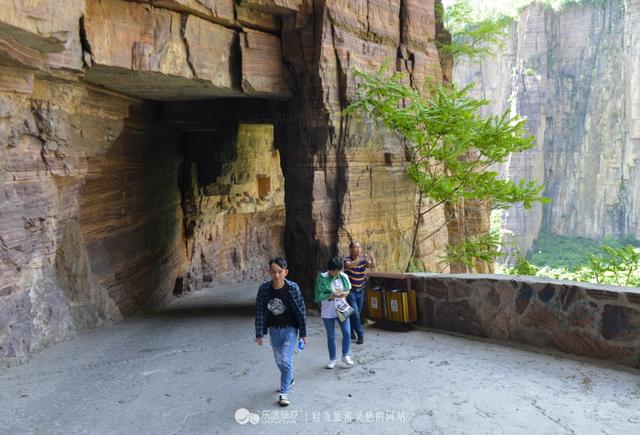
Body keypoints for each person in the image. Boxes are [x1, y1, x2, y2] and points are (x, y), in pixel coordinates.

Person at [255, 257, 307, 407]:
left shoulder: (293, 288)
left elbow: (301, 310)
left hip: (290, 329)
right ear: (269, 272)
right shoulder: (264, 289)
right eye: (273, 272)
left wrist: (303, 333)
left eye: (279, 272)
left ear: (286, 272)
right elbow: (259, 311)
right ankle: (289, 378)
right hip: (273, 330)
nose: (276, 275)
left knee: (285, 359)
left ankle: (284, 393)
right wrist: (259, 333)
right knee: (279, 361)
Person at [314, 256, 354, 369]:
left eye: (339, 270)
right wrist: (331, 295)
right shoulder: (322, 278)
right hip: (328, 310)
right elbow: (318, 296)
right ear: (330, 269)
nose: (337, 273)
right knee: (331, 336)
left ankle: (346, 355)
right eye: (335, 271)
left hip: (342, 306)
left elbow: (348, 290)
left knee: (347, 332)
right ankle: (332, 359)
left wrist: (343, 294)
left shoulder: (343, 276)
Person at [343, 241, 375, 344]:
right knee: (356, 313)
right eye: (356, 248)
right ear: (351, 249)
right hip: (351, 291)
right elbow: (351, 265)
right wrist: (362, 258)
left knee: (356, 313)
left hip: (361, 290)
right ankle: (360, 334)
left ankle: (351, 330)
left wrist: (372, 257)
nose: (358, 249)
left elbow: (372, 266)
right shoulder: (346, 260)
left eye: (359, 247)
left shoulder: (364, 259)